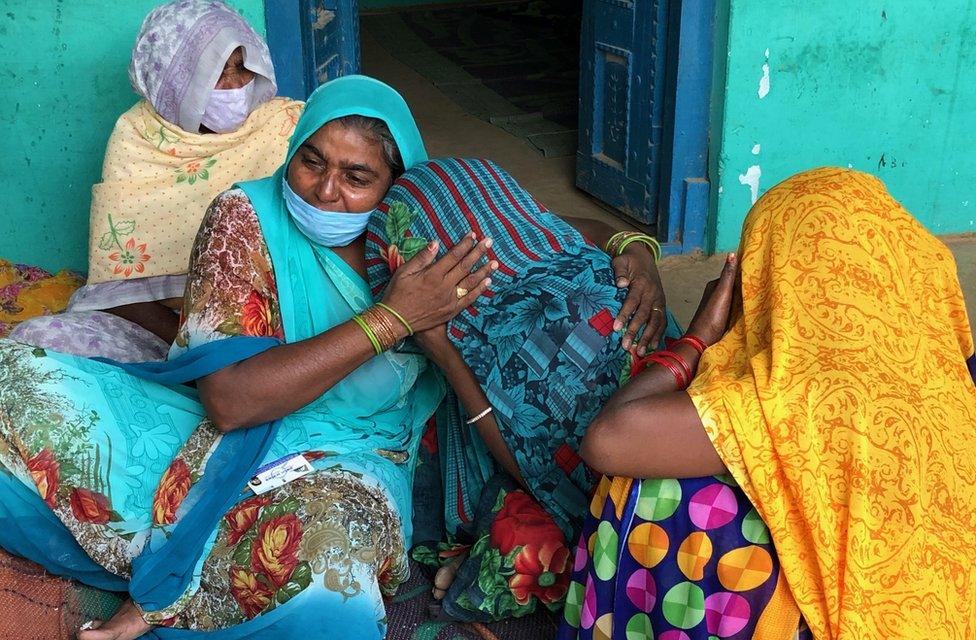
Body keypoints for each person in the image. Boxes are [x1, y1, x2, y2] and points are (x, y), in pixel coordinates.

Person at [0, 76, 495, 640]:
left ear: (396, 185)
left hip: (347, 456)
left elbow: (551, 236)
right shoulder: (245, 218)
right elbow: (230, 402)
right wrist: (391, 319)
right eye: (312, 161)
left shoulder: (419, 244)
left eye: (357, 178)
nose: (324, 190)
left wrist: (621, 247)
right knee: (15, 379)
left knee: (329, 579)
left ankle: (174, 594)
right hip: (210, 433)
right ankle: (176, 580)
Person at [559, 168, 976, 639]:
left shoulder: (795, 401)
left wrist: (700, 337)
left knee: (670, 497)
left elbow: (609, 439)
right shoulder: (948, 380)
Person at [364, 157, 680, 622]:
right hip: (678, 481)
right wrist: (638, 251)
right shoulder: (581, 267)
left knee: (524, 537)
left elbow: (530, 466)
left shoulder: (509, 333)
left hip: (625, 501)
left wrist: (446, 352)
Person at [10, 0, 302, 362]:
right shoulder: (139, 138)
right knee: (37, 341)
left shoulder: (286, 126)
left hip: (270, 327)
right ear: (172, 80)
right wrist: (191, 351)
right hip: (166, 330)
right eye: (213, 73)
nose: (233, 85)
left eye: (241, 68)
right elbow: (118, 291)